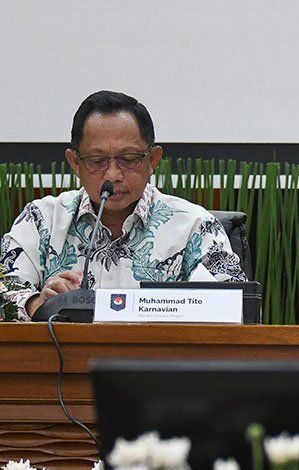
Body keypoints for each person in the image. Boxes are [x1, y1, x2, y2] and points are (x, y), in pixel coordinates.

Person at [0, 90, 245, 320]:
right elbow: (4, 288)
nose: (113, 175)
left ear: (152, 160)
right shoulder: (41, 220)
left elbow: (238, 306)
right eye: (97, 161)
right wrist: (37, 304)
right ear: (75, 163)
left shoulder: (195, 227)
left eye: (129, 159)